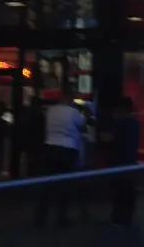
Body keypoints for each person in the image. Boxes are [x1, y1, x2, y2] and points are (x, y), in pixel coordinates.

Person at [34, 89, 86, 226]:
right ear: (70, 100)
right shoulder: (73, 112)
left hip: (50, 147)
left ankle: (41, 216)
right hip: (68, 149)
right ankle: (60, 217)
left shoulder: (51, 111)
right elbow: (82, 126)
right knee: (65, 184)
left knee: (47, 184)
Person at [109, 97, 140, 227]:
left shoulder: (121, 124)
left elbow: (111, 139)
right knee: (128, 190)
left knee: (119, 191)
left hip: (120, 161)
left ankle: (118, 218)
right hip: (130, 160)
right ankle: (127, 218)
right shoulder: (135, 124)